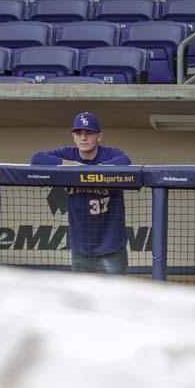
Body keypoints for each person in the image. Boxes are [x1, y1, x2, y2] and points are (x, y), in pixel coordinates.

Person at [30, 111, 131, 275]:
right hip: (80, 249)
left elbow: (126, 162)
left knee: (113, 299)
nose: (84, 138)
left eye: (89, 133)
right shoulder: (67, 154)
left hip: (111, 248)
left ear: (99, 136)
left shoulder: (111, 154)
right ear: (74, 137)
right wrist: (71, 164)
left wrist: (89, 170)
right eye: (79, 133)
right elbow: (36, 159)